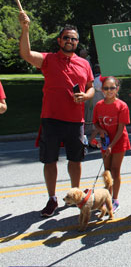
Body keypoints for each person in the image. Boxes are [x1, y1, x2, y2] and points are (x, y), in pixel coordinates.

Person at [18, 11, 94, 218]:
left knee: (75, 160)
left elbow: (91, 86)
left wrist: (86, 96)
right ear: (59, 40)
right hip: (51, 118)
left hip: (75, 120)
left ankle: (75, 194)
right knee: (50, 160)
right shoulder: (48, 59)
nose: (70, 41)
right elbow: (25, 54)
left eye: (74, 38)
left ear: (77, 42)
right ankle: (52, 199)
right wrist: (25, 29)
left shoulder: (84, 63)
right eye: (66, 38)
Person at [89, 76, 131, 213]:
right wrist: (100, 131)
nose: (109, 91)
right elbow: (95, 122)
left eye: (112, 88)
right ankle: (107, 198)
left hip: (118, 141)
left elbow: (120, 129)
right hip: (105, 141)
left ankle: (115, 199)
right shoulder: (99, 105)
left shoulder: (122, 106)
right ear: (101, 90)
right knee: (107, 171)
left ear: (117, 89)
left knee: (115, 170)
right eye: (106, 88)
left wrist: (112, 145)